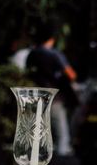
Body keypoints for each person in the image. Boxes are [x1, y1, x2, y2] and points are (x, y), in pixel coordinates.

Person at [26, 22, 78, 156]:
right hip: (54, 97)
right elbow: (71, 74)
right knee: (61, 133)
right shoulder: (54, 54)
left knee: (36, 132)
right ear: (52, 38)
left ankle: (35, 161)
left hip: (34, 97)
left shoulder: (32, 53)